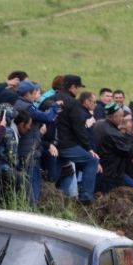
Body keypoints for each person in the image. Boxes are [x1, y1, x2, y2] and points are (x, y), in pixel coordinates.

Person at [53, 74, 99, 204]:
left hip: (53, 144)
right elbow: (78, 127)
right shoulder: (73, 103)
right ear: (72, 87)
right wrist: (87, 148)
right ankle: (86, 197)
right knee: (92, 161)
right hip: (66, 144)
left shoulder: (52, 98)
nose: (78, 91)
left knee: (60, 170)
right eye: (78, 87)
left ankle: (52, 193)